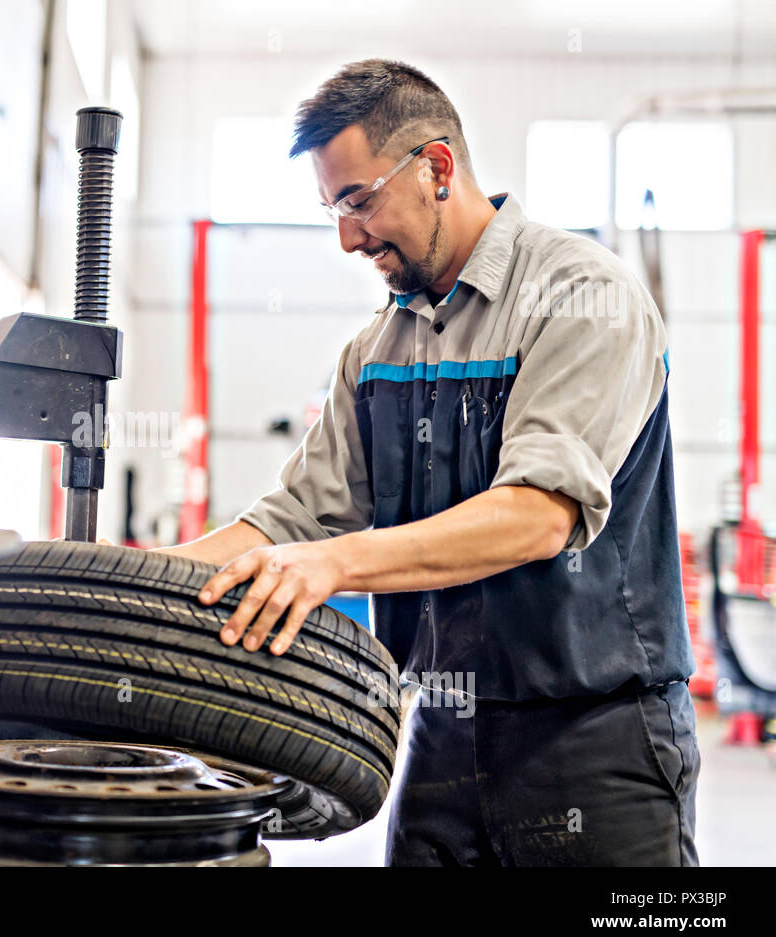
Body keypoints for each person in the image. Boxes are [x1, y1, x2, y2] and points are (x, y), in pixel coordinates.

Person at [156, 59, 699, 866]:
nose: (347, 237)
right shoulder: (376, 351)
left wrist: (329, 566)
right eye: (331, 209)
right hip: (441, 733)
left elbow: (537, 513)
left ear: (436, 167)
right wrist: (130, 588)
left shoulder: (583, 296)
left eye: (358, 200)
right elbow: (290, 519)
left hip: (596, 739)